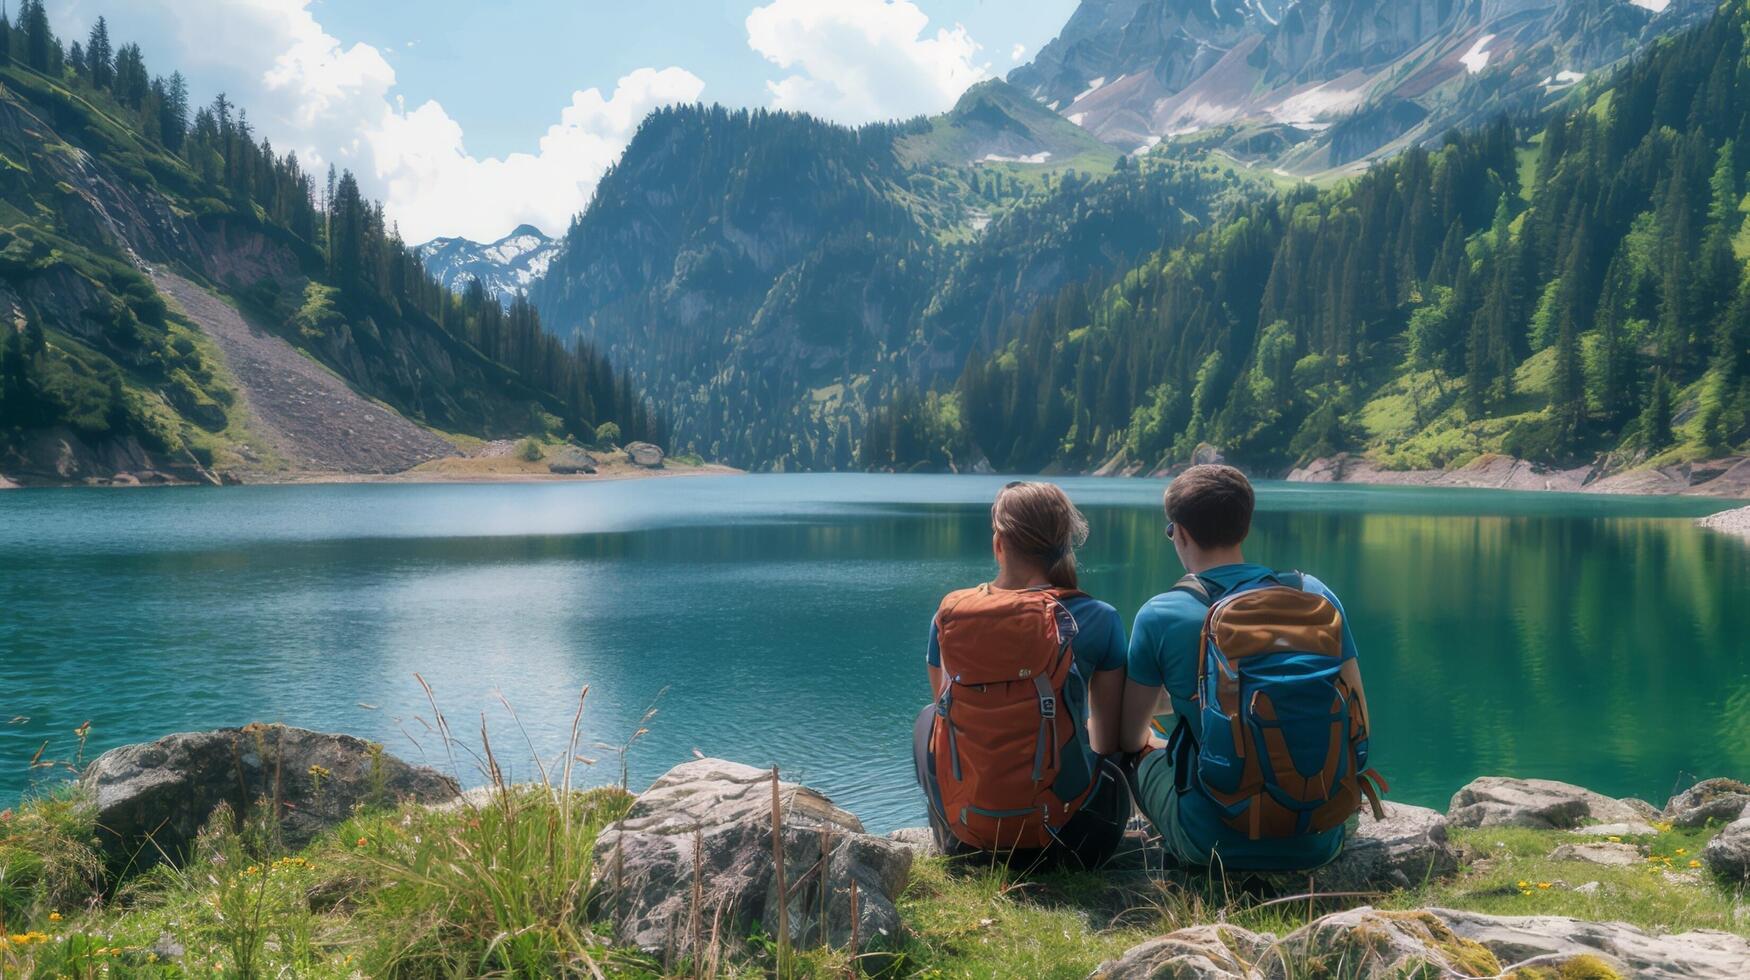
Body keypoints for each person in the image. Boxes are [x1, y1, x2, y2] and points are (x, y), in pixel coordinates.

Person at [1119, 465, 1385, 872]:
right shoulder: (1313, 594)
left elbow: (1125, 734)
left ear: (1181, 533)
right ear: (1244, 527)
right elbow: (1359, 718)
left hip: (1210, 843)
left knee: (1139, 749)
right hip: (1320, 835)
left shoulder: (1161, 613)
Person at [913, 481, 1132, 868]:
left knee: (929, 720)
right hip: (1072, 842)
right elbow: (1107, 743)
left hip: (971, 835)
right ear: (1064, 544)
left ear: (999, 544)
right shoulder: (1099, 618)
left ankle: (954, 831)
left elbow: (950, 723)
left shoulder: (949, 617)